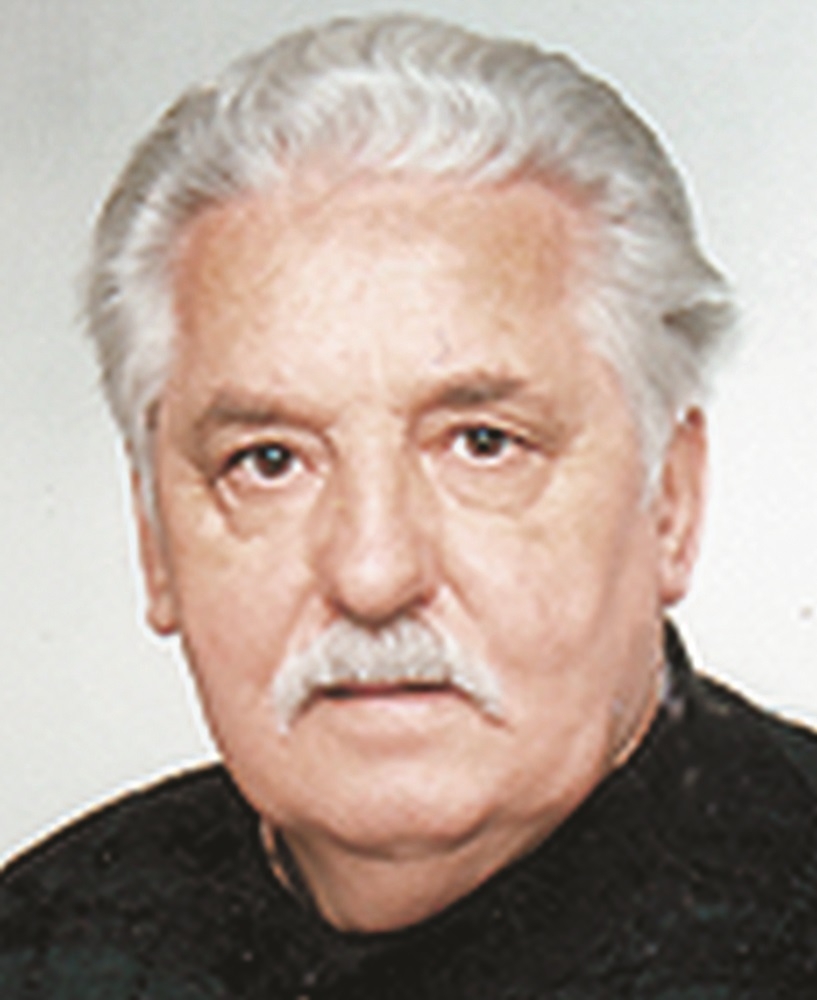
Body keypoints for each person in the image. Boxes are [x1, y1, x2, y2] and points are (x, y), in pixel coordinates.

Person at [2, 12, 816, 997]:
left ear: (670, 501)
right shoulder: (36, 945)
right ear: (155, 543)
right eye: (269, 461)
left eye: (482, 444)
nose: (373, 574)